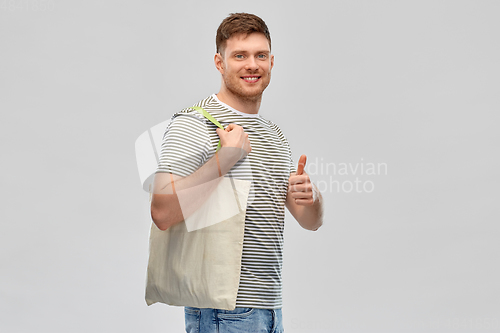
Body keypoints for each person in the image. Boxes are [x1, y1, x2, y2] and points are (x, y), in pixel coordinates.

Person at [150, 12, 324, 333]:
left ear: (272, 61)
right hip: (222, 311)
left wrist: (311, 200)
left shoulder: (275, 135)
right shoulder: (194, 123)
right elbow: (162, 211)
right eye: (239, 56)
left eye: (260, 55)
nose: (252, 65)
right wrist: (225, 159)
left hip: (271, 308)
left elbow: (310, 221)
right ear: (219, 62)